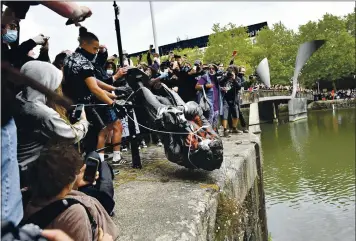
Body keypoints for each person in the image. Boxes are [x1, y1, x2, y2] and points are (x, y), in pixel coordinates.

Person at [14, 61, 89, 188]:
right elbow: (72, 135)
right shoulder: (40, 112)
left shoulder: (19, 99)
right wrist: (83, 121)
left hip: (17, 169)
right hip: (31, 173)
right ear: (46, 82)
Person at [23, 143, 118, 241]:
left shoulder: (28, 200)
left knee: (97, 159)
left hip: (72, 194)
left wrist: (74, 185)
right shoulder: (74, 213)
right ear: (67, 184)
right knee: (103, 166)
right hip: (100, 207)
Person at [62, 27, 122, 163]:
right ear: (84, 44)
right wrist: (112, 103)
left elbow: (93, 81)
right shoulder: (84, 62)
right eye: (95, 49)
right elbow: (94, 88)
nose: (96, 52)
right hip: (85, 107)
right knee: (94, 140)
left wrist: (113, 90)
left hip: (70, 104)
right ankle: (96, 168)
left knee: (80, 143)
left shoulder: (70, 59)